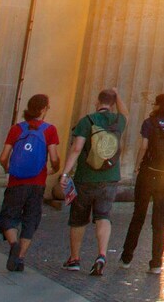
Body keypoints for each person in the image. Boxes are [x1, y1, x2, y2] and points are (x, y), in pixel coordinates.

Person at [122, 94, 164, 274]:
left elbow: (144, 146)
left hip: (148, 174)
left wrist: (137, 166)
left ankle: (126, 257)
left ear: (158, 105)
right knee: (159, 222)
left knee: (138, 216)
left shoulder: (149, 123)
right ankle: (156, 263)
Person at [65, 87, 127, 276]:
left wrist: (65, 173)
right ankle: (101, 255)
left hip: (85, 177)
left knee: (78, 219)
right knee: (103, 216)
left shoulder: (87, 120)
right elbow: (126, 113)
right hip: (110, 177)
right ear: (113, 103)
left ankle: (74, 259)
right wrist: (118, 95)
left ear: (97, 102)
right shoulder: (119, 121)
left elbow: (77, 149)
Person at [0, 93, 61, 272]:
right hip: (38, 182)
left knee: (8, 217)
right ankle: (20, 258)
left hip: (16, 182)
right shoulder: (49, 130)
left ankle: (13, 243)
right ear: (43, 110)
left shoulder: (17, 129)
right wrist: (54, 170)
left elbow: (3, 157)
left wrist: (8, 169)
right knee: (31, 219)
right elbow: (55, 158)